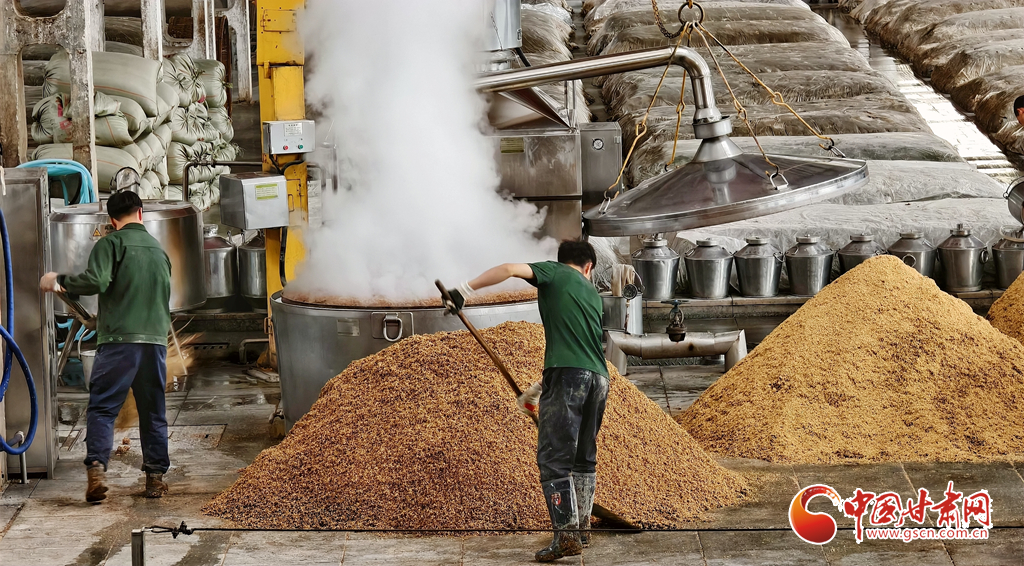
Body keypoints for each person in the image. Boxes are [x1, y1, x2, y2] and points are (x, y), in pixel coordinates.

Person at [445, 240, 608, 562]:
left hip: (568, 377)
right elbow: (582, 351)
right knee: (583, 458)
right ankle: (582, 531)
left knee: (554, 460)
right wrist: (538, 389)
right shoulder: (592, 294)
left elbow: (508, 269)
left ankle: (566, 538)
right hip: (599, 380)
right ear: (589, 267)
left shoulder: (556, 272)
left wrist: (462, 290)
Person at [39, 191, 172, 503]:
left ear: (111, 220)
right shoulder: (159, 250)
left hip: (119, 343)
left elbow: (97, 281)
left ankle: (97, 469)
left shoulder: (110, 244)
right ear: (141, 213)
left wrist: (60, 280)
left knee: (103, 407)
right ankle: (155, 479)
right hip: (154, 343)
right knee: (153, 410)